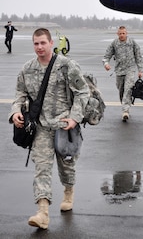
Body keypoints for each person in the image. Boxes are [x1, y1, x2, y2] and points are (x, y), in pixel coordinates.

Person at [8, 28, 90, 229]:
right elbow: (20, 93)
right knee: (42, 168)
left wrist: (75, 117)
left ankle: (68, 191)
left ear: (51, 43)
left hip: (65, 127)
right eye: (36, 43)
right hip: (41, 127)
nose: (39, 47)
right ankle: (42, 213)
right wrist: (16, 111)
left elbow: (82, 92)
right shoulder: (27, 69)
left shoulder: (66, 66)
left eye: (43, 43)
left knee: (67, 168)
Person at [102, 26, 143, 121]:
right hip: (119, 70)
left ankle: (125, 111)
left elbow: (138, 56)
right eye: (120, 33)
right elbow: (107, 55)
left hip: (130, 69)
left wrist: (140, 70)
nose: (122, 35)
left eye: (123, 33)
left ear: (126, 33)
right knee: (121, 90)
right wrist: (106, 64)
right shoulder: (114, 43)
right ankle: (125, 105)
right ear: (117, 34)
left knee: (128, 89)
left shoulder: (132, 43)